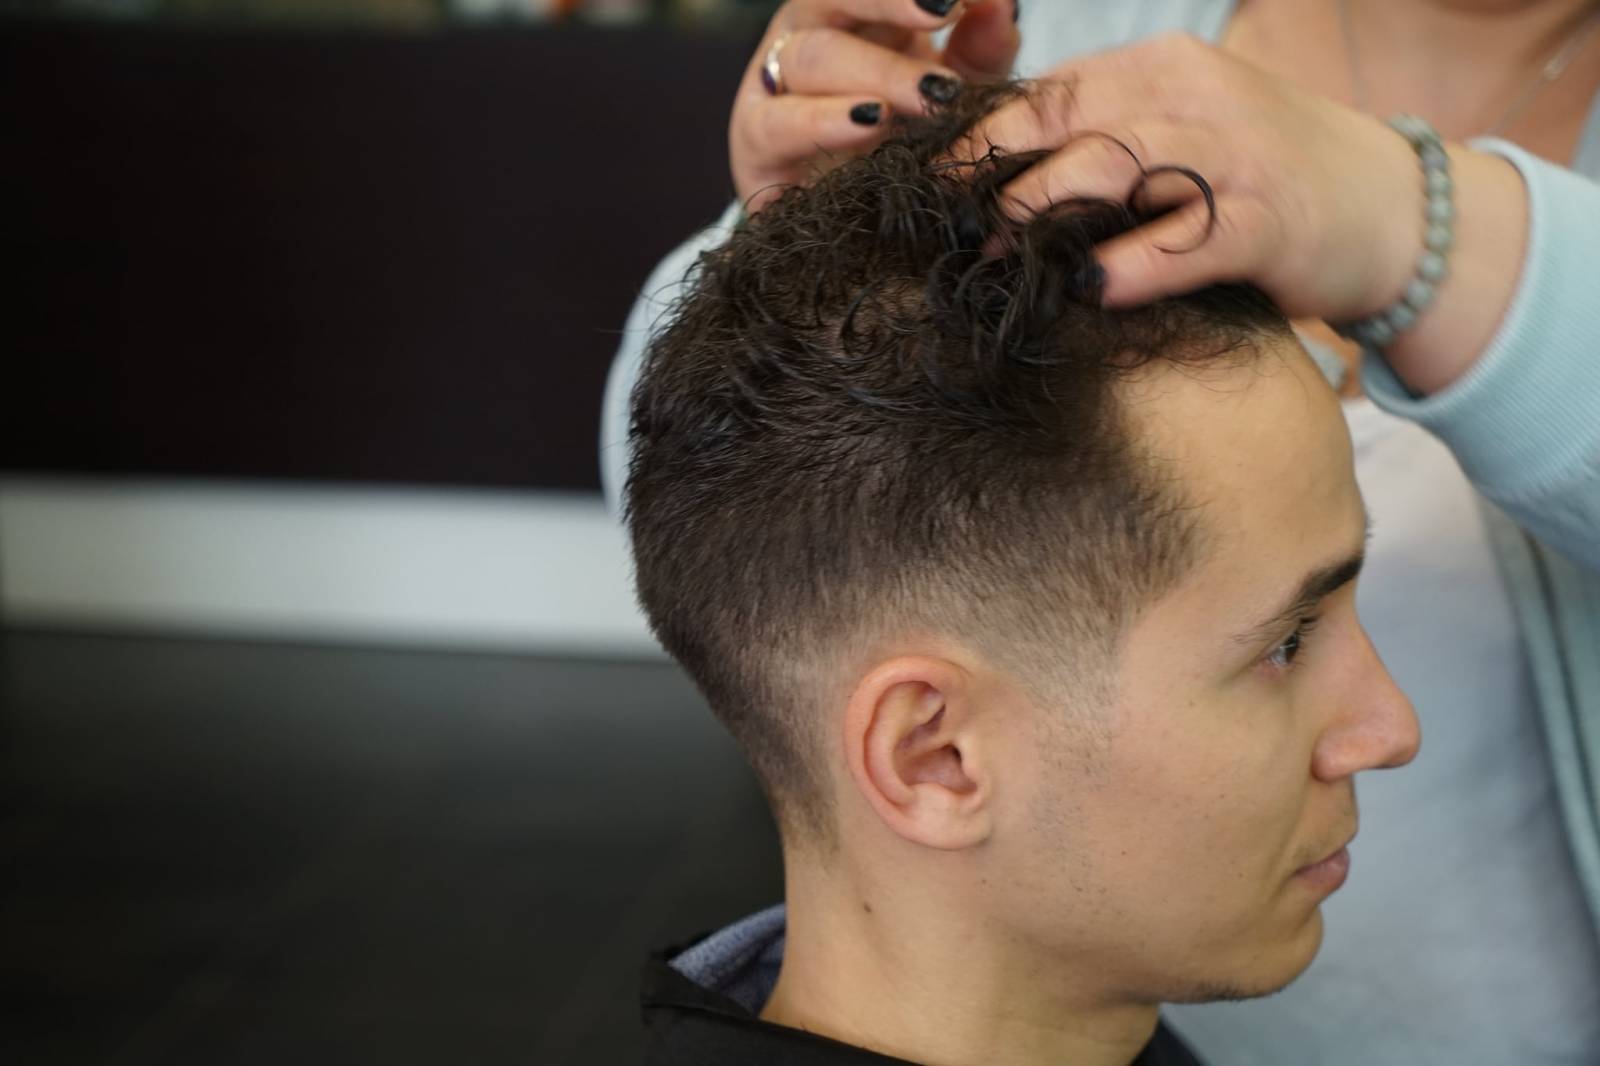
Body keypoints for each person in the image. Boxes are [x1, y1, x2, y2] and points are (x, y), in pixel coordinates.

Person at [601, 2, 1600, 1063]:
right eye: (1285, 642)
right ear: (935, 753)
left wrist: (1417, 224)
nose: (1389, 729)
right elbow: (757, 556)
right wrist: (792, 250)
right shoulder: (1032, 30)